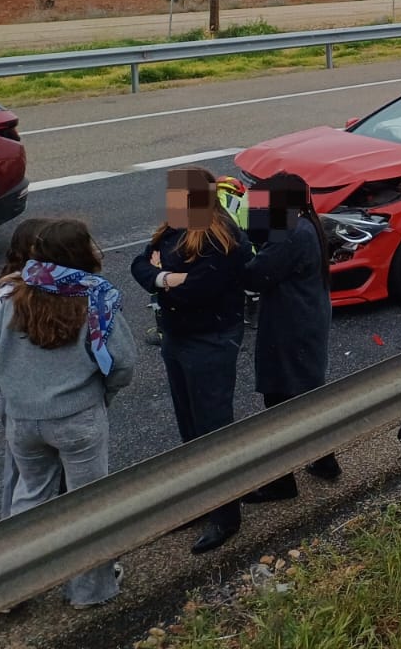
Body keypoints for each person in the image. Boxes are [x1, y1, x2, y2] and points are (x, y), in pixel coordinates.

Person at [0, 218, 135, 607]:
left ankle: (13, 588)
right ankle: (90, 591)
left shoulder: (14, 294)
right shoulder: (95, 297)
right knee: (88, 505)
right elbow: (122, 362)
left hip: (23, 419)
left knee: (29, 500)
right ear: (83, 253)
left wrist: (18, 392)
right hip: (78, 416)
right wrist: (104, 395)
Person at [130, 168, 251, 554]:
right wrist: (169, 279)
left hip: (211, 341)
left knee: (213, 429)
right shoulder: (173, 228)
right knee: (189, 428)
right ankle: (202, 501)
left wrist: (160, 275)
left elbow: (200, 290)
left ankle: (226, 515)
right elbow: (138, 267)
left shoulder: (223, 238)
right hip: (177, 338)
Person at [240, 173, 340, 503]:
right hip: (307, 321)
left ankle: (282, 483)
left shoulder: (290, 234)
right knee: (307, 397)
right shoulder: (307, 223)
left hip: (288, 328)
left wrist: (241, 244)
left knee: (279, 403)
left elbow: (255, 274)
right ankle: (325, 461)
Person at [0, 217, 55, 520]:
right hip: (42, 397)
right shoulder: (19, 293)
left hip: (19, 395)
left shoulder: (6, 289)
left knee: (27, 476)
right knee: (26, 474)